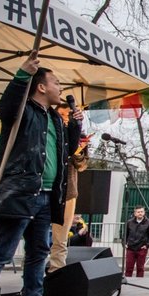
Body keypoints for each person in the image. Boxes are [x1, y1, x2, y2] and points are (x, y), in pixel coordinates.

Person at [0, 53, 81, 296]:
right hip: (20, 192)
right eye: (55, 83)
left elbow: (68, 149)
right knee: (2, 252)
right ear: (41, 86)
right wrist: (21, 75)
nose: (60, 89)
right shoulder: (23, 111)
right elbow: (7, 107)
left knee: (39, 250)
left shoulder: (54, 119)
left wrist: (75, 125)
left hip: (44, 195)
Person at [48, 101, 88, 273]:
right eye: (61, 115)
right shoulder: (49, 134)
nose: (65, 119)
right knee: (37, 235)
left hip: (68, 191)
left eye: (67, 116)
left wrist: (77, 153)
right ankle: (31, 272)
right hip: (46, 188)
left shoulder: (78, 136)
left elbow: (83, 165)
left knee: (61, 238)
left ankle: (56, 272)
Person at [124, 206, 149, 278]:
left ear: (144, 212)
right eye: (138, 212)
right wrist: (124, 243)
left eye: (141, 212)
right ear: (135, 213)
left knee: (140, 268)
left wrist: (147, 245)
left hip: (142, 248)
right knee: (128, 268)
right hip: (130, 248)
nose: (140, 213)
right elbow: (125, 234)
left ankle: (140, 282)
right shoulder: (129, 222)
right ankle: (127, 282)